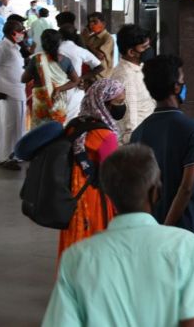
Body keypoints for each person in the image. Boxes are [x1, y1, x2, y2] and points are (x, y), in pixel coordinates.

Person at [42, 143, 194, 326]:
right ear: (155, 193)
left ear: (109, 196)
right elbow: (191, 320)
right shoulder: (187, 247)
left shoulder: (77, 257)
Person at [130, 54, 194, 243]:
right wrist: (166, 229)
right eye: (182, 81)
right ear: (175, 87)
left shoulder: (139, 133)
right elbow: (186, 187)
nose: (184, 85)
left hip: (149, 229)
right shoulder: (193, 130)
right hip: (185, 230)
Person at [58, 78, 125, 259]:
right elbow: (111, 178)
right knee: (95, 245)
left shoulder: (75, 125)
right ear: (104, 104)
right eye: (118, 102)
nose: (122, 106)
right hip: (95, 198)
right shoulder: (106, 135)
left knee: (75, 242)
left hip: (73, 196)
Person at [22, 29, 80, 127]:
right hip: (58, 101)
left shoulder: (36, 59)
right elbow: (76, 81)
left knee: (39, 131)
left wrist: (35, 73)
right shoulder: (65, 61)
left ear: (42, 42)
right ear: (60, 42)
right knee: (57, 129)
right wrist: (59, 89)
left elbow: (24, 79)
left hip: (41, 103)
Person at [112, 24, 156, 143]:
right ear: (131, 52)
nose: (149, 50)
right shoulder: (126, 76)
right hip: (137, 141)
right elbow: (130, 120)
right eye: (144, 47)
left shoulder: (139, 67)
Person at [0, 19, 27, 170]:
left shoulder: (13, 47)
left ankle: (12, 154)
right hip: (9, 91)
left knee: (14, 125)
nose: (23, 34)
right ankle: (6, 157)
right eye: (21, 31)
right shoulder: (3, 48)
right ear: (13, 33)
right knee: (12, 126)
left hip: (15, 91)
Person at [58, 24, 103, 122]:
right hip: (75, 90)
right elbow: (99, 67)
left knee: (58, 121)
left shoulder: (55, 50)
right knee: (72, 121)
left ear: (60, 36)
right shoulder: (80, 51)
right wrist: (81, 78)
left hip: (57, 89)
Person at [84, 12, 114, 79]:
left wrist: (88, 44)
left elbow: (100, 55)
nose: (91, 24)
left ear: (103, 24)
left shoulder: (108, 38)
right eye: (90, 22)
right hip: (90, 74)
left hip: (101, 76)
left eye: (95, 22)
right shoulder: (91, 38)